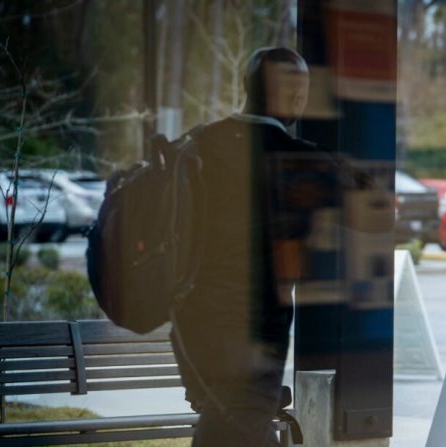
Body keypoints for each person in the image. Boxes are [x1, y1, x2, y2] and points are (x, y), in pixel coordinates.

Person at [170, 47, 319, 446]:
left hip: (192, 327)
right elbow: (377, 214)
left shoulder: (197, 143)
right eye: (296, 88)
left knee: (221, 425)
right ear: (293, 95)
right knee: (245, 424)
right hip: (252, 334)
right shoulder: (296, 158)